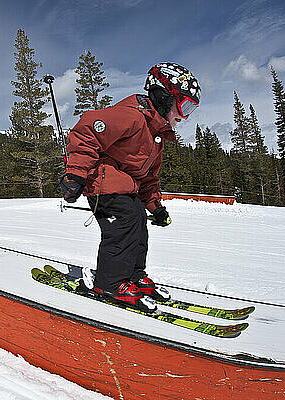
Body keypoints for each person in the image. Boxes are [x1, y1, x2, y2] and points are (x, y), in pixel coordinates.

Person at [59, 62, 201, 312]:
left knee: (138, 222)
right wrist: (75, 175)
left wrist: (156, 207)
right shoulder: (131, 116)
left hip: (125, 187)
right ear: (165, 96)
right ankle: (110, 283)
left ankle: (133, 275)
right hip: (102, 182)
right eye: (184, 106)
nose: (185, 115)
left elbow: (148, 178)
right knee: (126, 221)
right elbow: (85, 132)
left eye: (191, 109)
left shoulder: (156, 135)